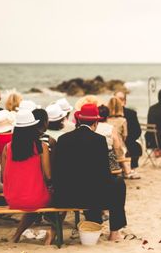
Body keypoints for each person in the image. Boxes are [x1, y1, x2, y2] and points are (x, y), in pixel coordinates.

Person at [53, 103, 127, 241]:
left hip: (65, 196)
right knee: (118, 183)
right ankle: (114, 232)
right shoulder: (99, 140)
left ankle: (95, 222)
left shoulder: (63, 139)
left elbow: (58, 171)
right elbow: (103, 174)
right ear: (96, 122)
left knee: (91, 184)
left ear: (79, 120)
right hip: (91, 197)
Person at [2, 110, 53, 244]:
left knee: (31, 201)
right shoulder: (41, 147)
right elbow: (48, 176)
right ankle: (53, 231)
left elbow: (4, 176)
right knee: (59, 198)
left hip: (12, 198)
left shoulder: (7, 148)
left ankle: (16, 235)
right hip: (34, 199)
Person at [97, 105, 140, 179]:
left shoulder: (94, 127)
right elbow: (117, 146)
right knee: (119, 152)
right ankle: (127, 171)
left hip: (95, 157)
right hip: (107, 159)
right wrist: (121, 157)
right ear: (107, 116)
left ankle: (127, 171)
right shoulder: (110, 128)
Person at [115, 91, 142, 169]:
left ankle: (131, 168)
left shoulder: (131, 113)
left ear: (125, 101)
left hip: (128, 141)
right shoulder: (107, 113)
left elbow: (137, 131)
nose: (118, 101)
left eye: (120, 99)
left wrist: (125, 140)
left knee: (135, 147)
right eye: (116, 99)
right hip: (112, 144)